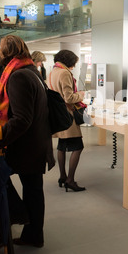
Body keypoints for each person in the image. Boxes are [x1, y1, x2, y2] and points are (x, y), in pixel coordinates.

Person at [0, 35, 55, 248]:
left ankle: (23, 222)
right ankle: (33, 233)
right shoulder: (31, 71)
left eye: (0, 52)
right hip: (36, 143)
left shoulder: (17, 77)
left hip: (27, 147)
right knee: (33, 189)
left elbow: (21, 120)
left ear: (5, 54)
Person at [49, 50, 86, 192]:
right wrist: (81, 95)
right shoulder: (64, 73)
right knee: (78, 146)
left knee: (62, 145)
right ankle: (70, 180)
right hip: (67, 114)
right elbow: (69, 98)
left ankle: (63, 176)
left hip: (57, 114)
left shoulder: (52, 72)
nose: (74, 66)